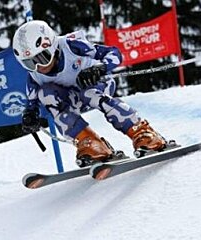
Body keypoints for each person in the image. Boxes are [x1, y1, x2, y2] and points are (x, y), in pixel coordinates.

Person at [12, 20, 167, 167]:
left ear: (51, 45)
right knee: (46, 94)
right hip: (73, 98)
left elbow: (114, 53)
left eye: (42, 57)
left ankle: (142, 132)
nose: (39, 66)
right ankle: (91, 143)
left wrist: (100, 67)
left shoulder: (71, 46)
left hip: (97, 85)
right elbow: (31, 103)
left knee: (89, 93)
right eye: (30, 63)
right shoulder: (34, 75)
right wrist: (30, 117)